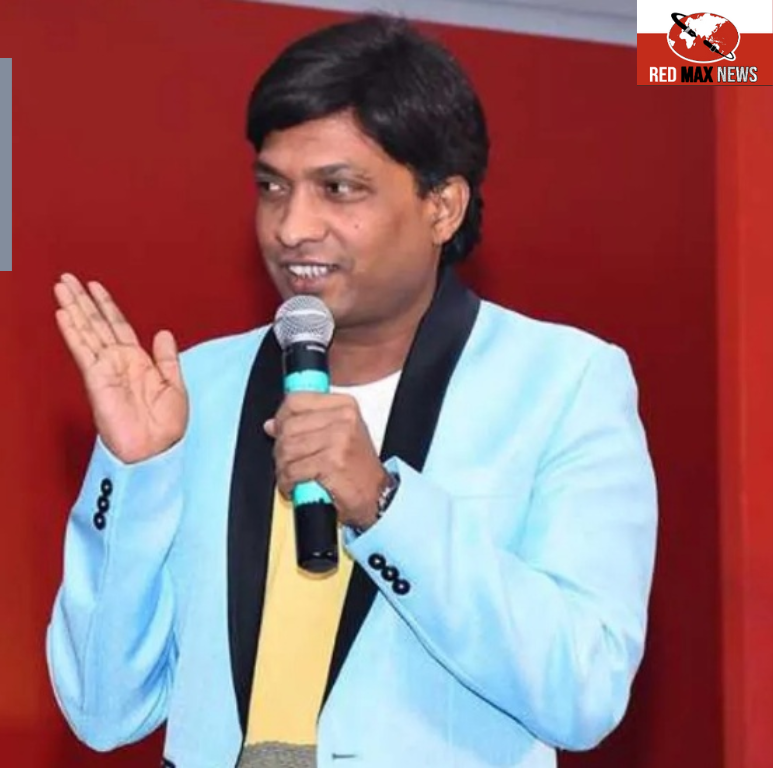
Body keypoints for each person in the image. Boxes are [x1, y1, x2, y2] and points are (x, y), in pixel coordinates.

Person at [44, 14, 658, 768]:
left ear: (442, 206)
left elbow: (586, 691)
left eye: (338, 188)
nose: (292, 227)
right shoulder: (192, 389)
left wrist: (385, 507)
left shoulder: (563, 382)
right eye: (273, 187)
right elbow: (103, 712)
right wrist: (136, 473)